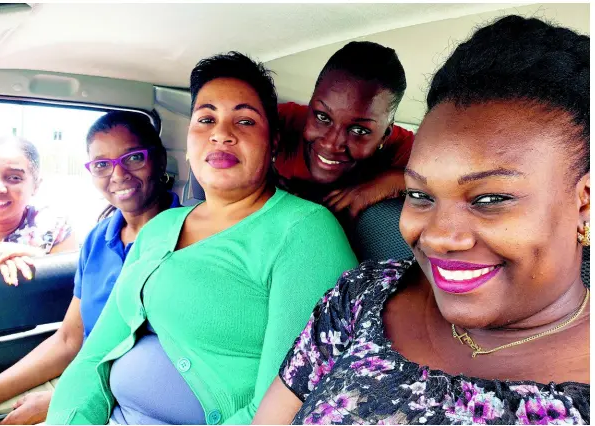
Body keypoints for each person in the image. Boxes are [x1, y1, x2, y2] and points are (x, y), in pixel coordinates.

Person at [253, 15, 590, 425]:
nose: (438, 238)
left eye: (490, 198)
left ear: (585, 203)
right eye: (420, 195)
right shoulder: (364, 293)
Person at [46, 52, 358, 425]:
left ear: (273, 142)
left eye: (244, 121)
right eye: (206, 119)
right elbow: (94, 354)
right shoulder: (161, 227)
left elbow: (287, 404)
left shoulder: (304, 231)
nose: (221, 134)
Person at [0, 111, 181, 425]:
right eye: (102, 164)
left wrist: (70, 396)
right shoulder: (99, 239)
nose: (118, 174)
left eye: (133, 158)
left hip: (134, 398)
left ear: (159, 159)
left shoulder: (189, 235)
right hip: (83, 376)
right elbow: (69, 340)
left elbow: (174, 359)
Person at [274, 41, 414, 219]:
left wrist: (396, 181)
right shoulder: (281, 122)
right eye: (323, 117)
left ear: (385, 135)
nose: (331, 144)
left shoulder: (404, 151)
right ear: (310, 106)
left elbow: (455, 181)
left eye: (359, 130)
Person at [0, 136, 77, 285]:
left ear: (36, 186)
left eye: (14, 177)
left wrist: (34, 256)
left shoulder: (55, 229)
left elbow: (69, 286)